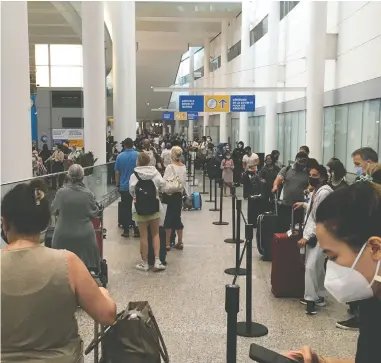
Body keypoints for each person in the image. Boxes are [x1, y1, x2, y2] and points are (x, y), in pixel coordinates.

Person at [1, 179, 116, 363]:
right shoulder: (67, 262)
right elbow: (107, 315)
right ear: (45, 222)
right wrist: (103, 293)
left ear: (4, 223)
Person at [285, 181, 381, 363]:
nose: (330, 266)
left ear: (375, 248)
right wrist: (323, 361)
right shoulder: (372, 298)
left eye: (333, 256)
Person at [294, 165, 333, 315]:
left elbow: (318, 217)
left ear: (323, 176)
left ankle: (310, 300)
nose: (311, 177)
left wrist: (307, 236)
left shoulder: (324, 193)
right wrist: (304, 204)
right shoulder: (317, 191)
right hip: (317, 232)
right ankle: (321, 295)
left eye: (315, 175)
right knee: (317, 266)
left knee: (310, 266)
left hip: (318, 234)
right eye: (310, 174)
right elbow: (313, 208)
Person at [51, 164, 101, 272]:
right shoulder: (88, 194)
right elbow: (94, 212)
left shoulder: (61, 193)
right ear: (82, 177)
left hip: (63, 236)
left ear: (68, 176)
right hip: (85, 237)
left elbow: (53, 210)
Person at [129, 152, 166, 271]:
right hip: (154, 207)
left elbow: (131, 191)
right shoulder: (155, 173)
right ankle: (157, 261)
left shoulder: (134, 175)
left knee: (143, 236)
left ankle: (144, 263)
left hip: (139, 208)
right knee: (155, 234)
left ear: (138, 162)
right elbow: (162, 185)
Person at [272, 152, 310, 231]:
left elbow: (311, 184)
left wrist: (308, 189)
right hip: (286, 204)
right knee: (284, 226)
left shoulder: (307, 172)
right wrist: (275, 186)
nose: (302, 164)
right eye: (300, 161)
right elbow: (278, 179)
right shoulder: (286, 169)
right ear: (296, 160)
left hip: (299, 205)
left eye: (304, 162)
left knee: (298, 228)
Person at [163, 146, 187, 250]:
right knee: (177, 217)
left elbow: (164, 180)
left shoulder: (170, 167)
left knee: (168, 217)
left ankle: (167, 243)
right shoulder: (183, 166)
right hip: (179, 195)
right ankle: (180, 242)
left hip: (170, 194)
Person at [115, 138, 139, 238]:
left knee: (125, 208)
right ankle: (136, 229)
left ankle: (126, 230)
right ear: (132, 145)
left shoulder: (120, 156)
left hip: (124, 187)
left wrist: (117, 184)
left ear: (124, 145)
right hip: (137, 186)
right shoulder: (138, 155)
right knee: (136, 208)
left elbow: (117, 172)